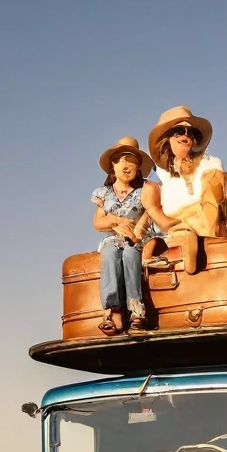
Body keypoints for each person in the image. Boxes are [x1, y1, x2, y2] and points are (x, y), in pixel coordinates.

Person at [146, 106, 227, 275]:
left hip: (205, 222)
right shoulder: (163, 172)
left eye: (190, 132)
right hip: (174, 225)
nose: (185, 135)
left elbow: (215, 199)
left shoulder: (210, 164)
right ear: (167, 138)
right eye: (178, 131)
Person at [91, 137, 160, 335]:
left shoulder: (144, 190)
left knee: (130, 256)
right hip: (114, 237)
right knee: (111, 254)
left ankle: (136, 311)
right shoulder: (103, 193)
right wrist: (117, 221)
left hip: (139, 236)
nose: (126, 165)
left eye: (131, 161)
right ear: (113, 165)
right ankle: (113, 311)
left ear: (138, 166)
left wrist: (137, 229)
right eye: (121, 160)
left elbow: (150, 212)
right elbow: (98, 222)